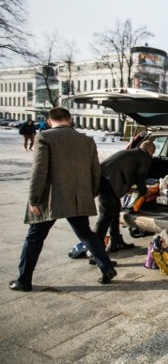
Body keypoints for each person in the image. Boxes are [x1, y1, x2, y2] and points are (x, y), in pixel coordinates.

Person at [9, 107, 117, 292]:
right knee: (85, 233)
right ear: (70, 119)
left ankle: (24, 280)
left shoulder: (44, 137)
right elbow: (95, 172)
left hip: (50, 198)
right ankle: (106, 267)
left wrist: (34, 199)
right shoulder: (87, 140)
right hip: (77, 197)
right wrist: (88, 194)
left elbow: (39, 171)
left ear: (50, 121)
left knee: (35, 236)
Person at [93, 140, 156, 255]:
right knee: (105, 215)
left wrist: (128, 187)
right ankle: (95, 251)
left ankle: (116, 241)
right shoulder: (145, 157)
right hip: (108, 182)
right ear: (151, 152)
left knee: (115, 209)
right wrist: (144, 192)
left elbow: (125, 170)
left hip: (105, 179)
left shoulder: (132, 152)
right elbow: (140, 177)